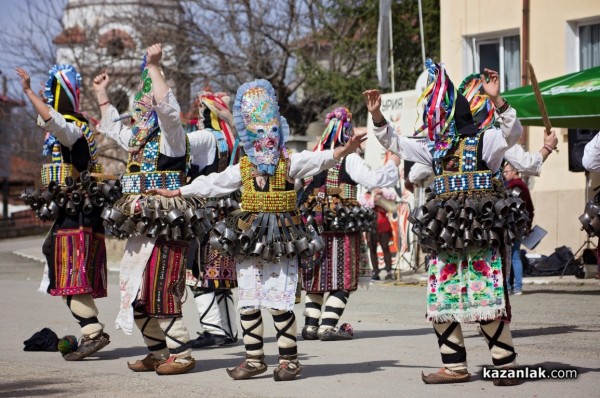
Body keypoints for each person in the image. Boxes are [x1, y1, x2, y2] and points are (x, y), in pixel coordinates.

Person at [150, 79, 367, 381]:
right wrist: (179, 192)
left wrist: (345, 149)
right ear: (249, 135)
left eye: (270, 132)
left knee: (279, 302)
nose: (265, 139)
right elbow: (213, 183)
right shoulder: (244, 167)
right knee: (249, 300)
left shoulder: (290, 162)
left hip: (282, 237)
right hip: (250, 237)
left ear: (278, 133)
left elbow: (321, 159)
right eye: (259, 133)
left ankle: (289, 360)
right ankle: (254, 360)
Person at [364, 61, 527, 386]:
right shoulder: (433, 148)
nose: (432, 120)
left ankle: (505, 366)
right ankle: (454, 366)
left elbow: (513, 132)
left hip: (481, 227)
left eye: (438, 114)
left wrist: (498, 100)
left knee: (485, 297)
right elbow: (396, 143)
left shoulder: (486, 140)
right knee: (442, 298)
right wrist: (378, 117)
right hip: (447, 232)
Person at [92, 44, 197, 375]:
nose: (139, 102)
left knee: (160, 287)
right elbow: (111, 127)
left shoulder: (171, 137)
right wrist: (102, 93)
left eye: (146, 96)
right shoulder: (137, 138)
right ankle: (156, 351)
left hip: (167, 223)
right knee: (135, 288)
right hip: (140, 223)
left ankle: (182, 354)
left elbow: (169, 110)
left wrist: (154, 67)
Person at [16, 65, 110, 360]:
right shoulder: (78, 126)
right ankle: (91, 328)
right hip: (75, 210)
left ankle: (93, 331)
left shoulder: (71, 128)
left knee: (67, 269)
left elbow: (52, 121)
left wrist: (29, 92)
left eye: (50, 89)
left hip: (76, 212)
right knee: (61, 263)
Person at [298, 108, 400, 341]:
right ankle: (328, 326)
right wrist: (393, 163)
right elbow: (373, 180)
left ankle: (311, 326)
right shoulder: (349, 158)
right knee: (343, 278)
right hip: (342, 226)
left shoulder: (313, 155)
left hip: (313, 227)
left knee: (316, 277)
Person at [184, 91, 239, 348]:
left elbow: (176, 143)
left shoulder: (205, 137)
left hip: (205, 215)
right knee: (220, 278)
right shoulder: (232, 142)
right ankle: (228, 331)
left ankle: (213, 329)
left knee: (196, 273)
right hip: (228, 216)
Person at [502, 163, 535, 295]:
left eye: (507, 172)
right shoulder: (524, 187)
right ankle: (516, 287)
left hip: (511, 225)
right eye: (504, 172)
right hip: (520, 225)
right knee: (514, 255)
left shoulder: (515, 186)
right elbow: (531, 208)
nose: (505, 175)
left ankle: (511, 287)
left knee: (512, 256)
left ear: (515, 172)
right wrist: (528, 225)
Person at [360, 188, 396, 281]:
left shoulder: (383, 193)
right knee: (372, 249)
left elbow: (393, 197)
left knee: (385, 247)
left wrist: (381, 192)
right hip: (370, 225)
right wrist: (372, 195)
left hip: (383, 224)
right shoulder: (364, 196)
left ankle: (389, 271)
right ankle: (375, 272)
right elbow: (368, 206)